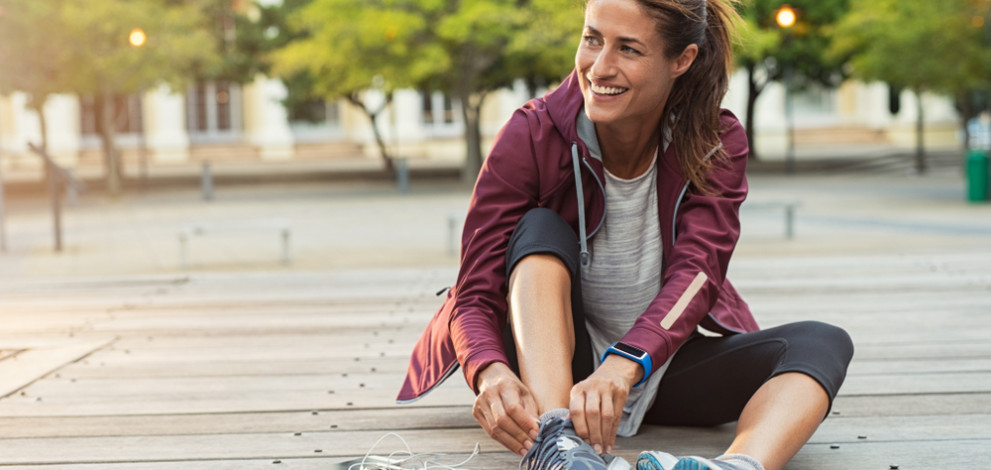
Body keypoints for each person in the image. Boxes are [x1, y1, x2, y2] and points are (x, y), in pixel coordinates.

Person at [397, 0, 854, 469]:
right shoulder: (532, 133)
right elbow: (472, 291)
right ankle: (559, 444)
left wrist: (626, 362)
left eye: (629, 49)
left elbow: (698, 273)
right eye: (592, 39)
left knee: (822, 341)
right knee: (538, 229)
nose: (600, 66)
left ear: (682, 60)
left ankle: (736, 466)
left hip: (658, 367)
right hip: (558, 374)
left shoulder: (714, 141)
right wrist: (489, 372)